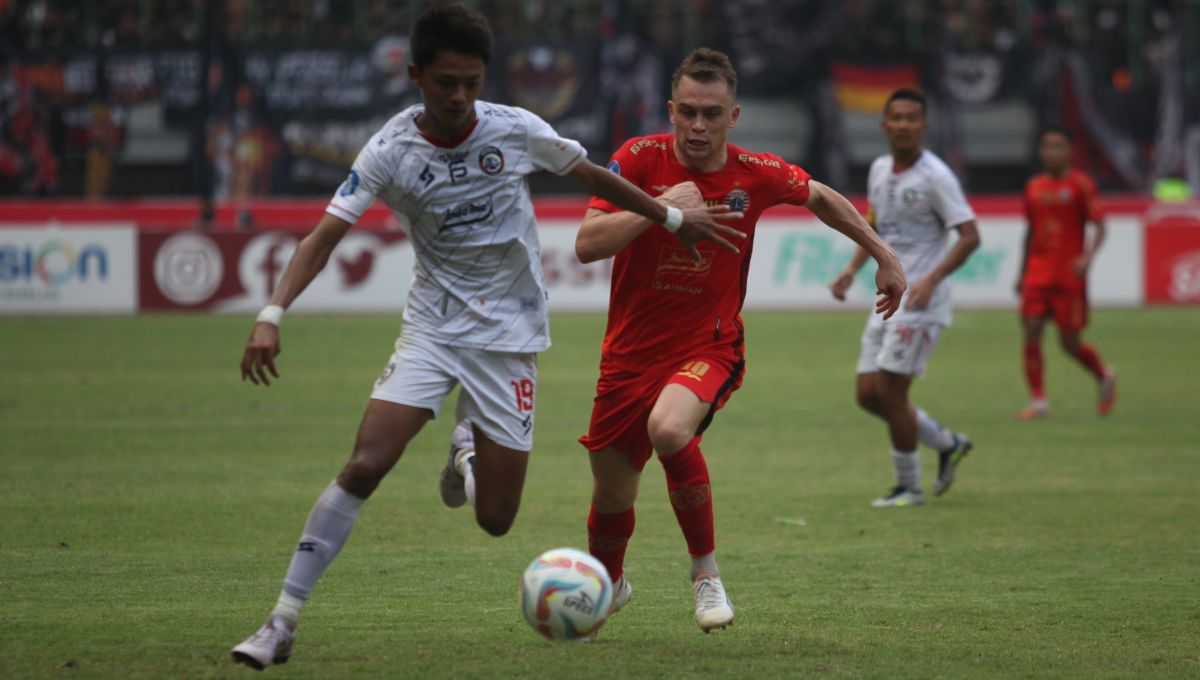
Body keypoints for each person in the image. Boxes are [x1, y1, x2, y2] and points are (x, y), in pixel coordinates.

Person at [230, 5, 743, 670]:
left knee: (496, 518)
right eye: (446, 82)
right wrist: (273, 312)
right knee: (366, 463)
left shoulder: (514, 128)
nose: (460, 96)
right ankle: (281, 621)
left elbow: (591, 176)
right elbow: (325, 236)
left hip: (508, 337)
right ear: (416, 76)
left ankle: (466, 449)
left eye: (472, 81)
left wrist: (671, 217)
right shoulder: (389, 150)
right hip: (433, 329)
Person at [576, 48, 906, 635]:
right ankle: (610, 583)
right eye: (688, 112)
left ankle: (705, 575)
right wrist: (659, 211)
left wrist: (884, 255)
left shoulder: (756, 171)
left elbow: (823, 196)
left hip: (709, 343)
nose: (698, 126)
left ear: (734, 117)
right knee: (611, 493)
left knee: (670, 429)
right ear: (670, 110)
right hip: (627, 356)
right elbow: (587, 244)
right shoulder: (638, 159)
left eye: (712, 113)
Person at [829, 88, 980, 509]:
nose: (903, 125)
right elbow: (874, 228)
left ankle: (908, 487)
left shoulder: (937, 176)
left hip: (918, 303)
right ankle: (947, 443)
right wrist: (850, 270)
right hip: (886, 296)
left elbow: (970, 236)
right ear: (884, 125)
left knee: (892, 396)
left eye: (911, 118)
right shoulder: (879, 169)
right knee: (867, 394)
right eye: (895, 117)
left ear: (924, 126)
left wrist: (930, 280)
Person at [1015, 125, 1116, 419]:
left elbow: (1100, 226)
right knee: (1031, 330)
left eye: (1058, 146)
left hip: (1068, 276)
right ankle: (1039, 401)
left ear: (1069, 151)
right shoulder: (1033, 187)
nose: (1052, 152)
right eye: (1047, 146)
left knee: (1069, 344)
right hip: (1037, 273)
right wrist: (1021, 274)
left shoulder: (1080, 185)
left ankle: (1104, 375)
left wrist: (1088, 257)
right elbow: (1030, 231)